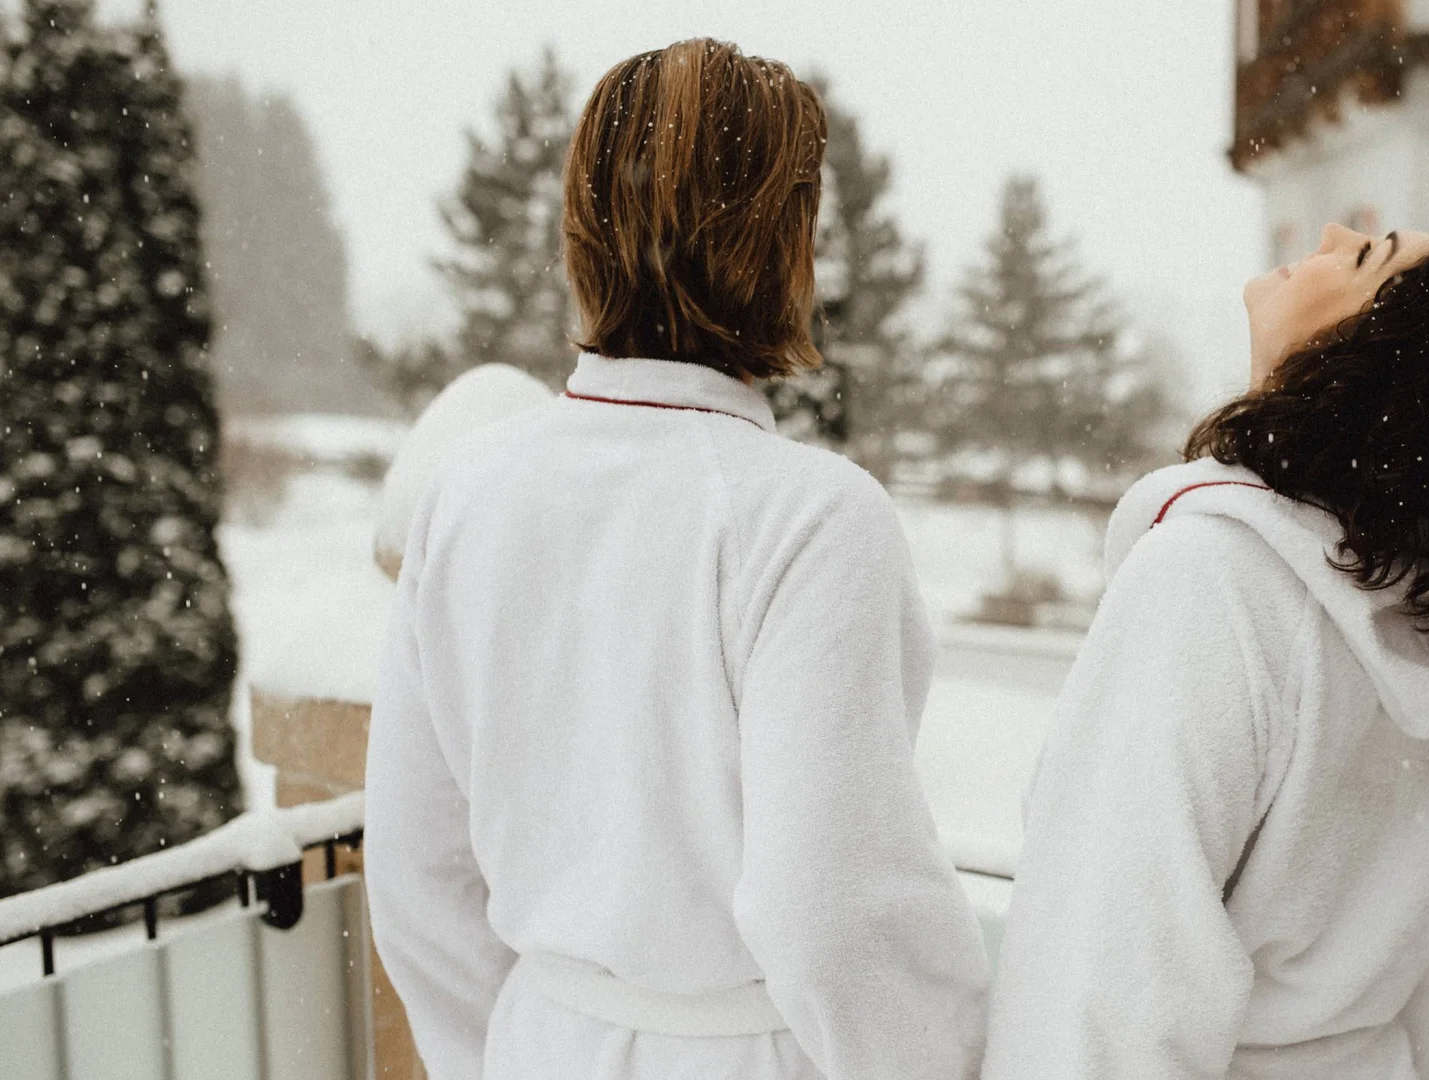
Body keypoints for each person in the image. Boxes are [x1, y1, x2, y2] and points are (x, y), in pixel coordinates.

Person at [363, 40, 989, 1080]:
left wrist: (511, 1045)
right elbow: (831, 909)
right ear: (784, 244)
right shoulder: (809, 519)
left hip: (538, 1044)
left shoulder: (464, 495)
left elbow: (418, 875)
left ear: (583, 228)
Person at [983, 224, 1429, 1080]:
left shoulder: (1212, 582)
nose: (1331, 233)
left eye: (1364, 255)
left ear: (1365, 365)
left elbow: (1107, 981)